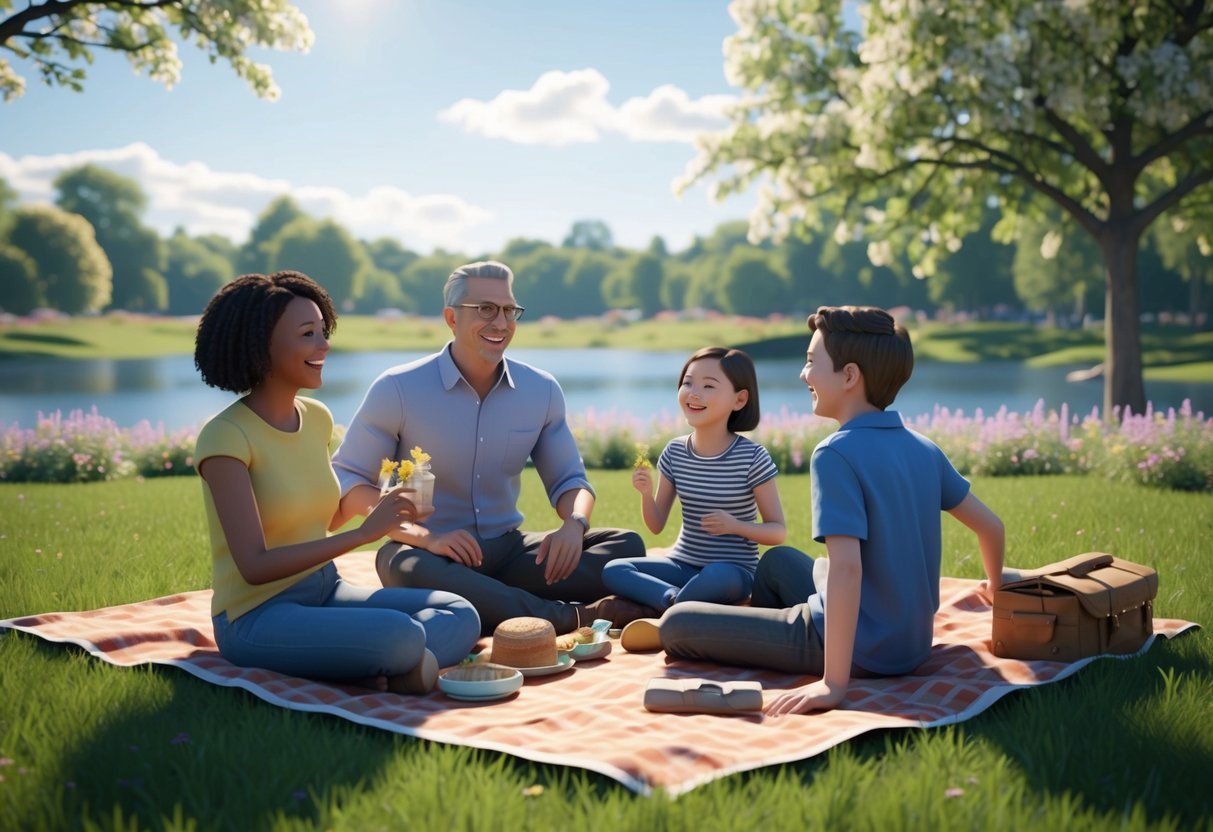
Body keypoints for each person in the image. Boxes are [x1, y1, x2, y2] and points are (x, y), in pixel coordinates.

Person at [660, 305, 1006, 715]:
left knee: (677, 624)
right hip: (911, 644)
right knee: (776, 563)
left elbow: (847, 569)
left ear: (849, 376)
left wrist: (833, 683)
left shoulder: (835, 454)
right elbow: (992, 527)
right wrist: (998, 594)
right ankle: (768, 634)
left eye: (811, 363)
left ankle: (780, 641)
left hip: (857, 650)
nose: (803, 375)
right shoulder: (923, 447)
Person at [193, 271, 480, 695]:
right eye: (307, 334)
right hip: (256, 615)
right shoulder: (225, 438)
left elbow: (325, 518)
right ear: (260, 345)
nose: (324, 345)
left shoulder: (316, 418)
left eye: (323, 332)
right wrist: (366, 534)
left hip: (326, 589)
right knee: (399, 634)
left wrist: (388, 505)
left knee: (460, 613)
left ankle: (388, 669)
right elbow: (253, 566)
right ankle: (391, 663)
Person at [331, 260, 651, 636]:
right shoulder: (397, 389)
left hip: (510, 552)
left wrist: (574, 525)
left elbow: (570, 480)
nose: (500, 322)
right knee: (402, 566)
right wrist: (428, 537)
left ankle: (492, 601)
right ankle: (570, 617)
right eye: (485, 309)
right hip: (428, 552)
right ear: (451, 318)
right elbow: (350, 483)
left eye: (508, 310)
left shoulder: (541, 390)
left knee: (625, 547)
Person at [602, 347, 786, 612]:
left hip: (732, 572)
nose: (694, 393)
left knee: (717, 577)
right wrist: (645, 493)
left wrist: (735, 526)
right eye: (688, 383)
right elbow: (656, 525)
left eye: (709, 386)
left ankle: (671, 606)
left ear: (740, 400)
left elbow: (777, 531)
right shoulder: (675, 452)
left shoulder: (752, 457)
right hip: (681, 564)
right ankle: (674, 602)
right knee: (615, 569)